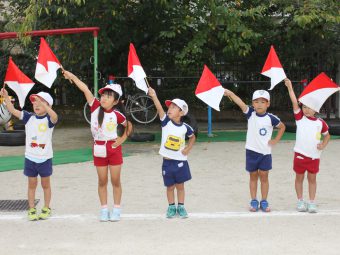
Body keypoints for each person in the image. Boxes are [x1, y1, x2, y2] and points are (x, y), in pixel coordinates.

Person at [62, 70, 132, 222]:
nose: (104, 98)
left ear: (115, 101)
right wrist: (72, 76)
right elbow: (85, 89)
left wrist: (122, 139)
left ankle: (117, 209)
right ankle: (104, 209)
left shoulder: (117, 114)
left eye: (108, 96)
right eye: (103, 95)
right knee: (102, 181)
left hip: (113, 149)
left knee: (115, 180)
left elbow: (128, 126)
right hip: (98, 148)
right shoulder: (94, 106)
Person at [224, 88, 285, 212]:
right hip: (251, 151)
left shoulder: (271, 118)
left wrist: (275, 140)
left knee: (264, 176)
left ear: (268, 104)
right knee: (253, 176)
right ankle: (253, 200)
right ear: (252, 104)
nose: (259, 104)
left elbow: (282, 127)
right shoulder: (250, 113)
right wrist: (230, 94)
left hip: (265, 153)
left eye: (263, 102)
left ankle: (264, 200)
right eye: (256, 102)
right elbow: (240, 102)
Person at [1, 88, 58, 221]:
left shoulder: (49, 120)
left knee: (46, 185)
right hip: (30, 158)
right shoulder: (28, 117)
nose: (36, 105)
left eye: (41, 103)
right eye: (35, 102)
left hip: (45, 159)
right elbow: (12, 110)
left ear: (48, 105)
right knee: (31, 184)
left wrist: (45, 105)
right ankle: (31, 209)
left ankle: (46, 208)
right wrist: (6, 98)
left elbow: (55, 116)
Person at [148, 87, 196, 218]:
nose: (170, 109)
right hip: (167, 163)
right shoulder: (165, 123)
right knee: (169, 187)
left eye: (174, 107)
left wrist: (188, 148)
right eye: (170, 107)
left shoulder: (186, 127)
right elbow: (159, 108)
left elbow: (193, 137)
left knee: (180, 186)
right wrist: (154, 96)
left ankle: (181, 206)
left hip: (180, 161)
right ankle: (171, 207)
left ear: (181, 113)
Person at [284, 78, 330, 213]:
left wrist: (323, 145)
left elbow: (327, 135)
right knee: (299, 178)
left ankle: (312, 202)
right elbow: (294, 101)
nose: (306, 109)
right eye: (304, 106)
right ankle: (300, 201)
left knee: (312, 179)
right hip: (300, 154)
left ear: (316, 109)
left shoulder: (321, 123)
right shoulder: (300, 118)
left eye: (309, 107)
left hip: (314, 156)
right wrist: (290, 87)